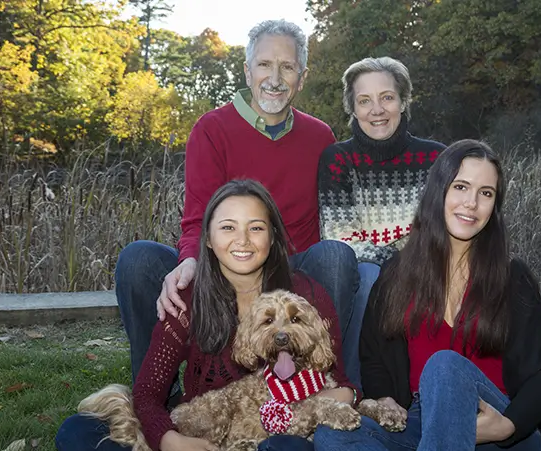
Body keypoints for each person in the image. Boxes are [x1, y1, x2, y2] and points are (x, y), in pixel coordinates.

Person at [313, 140, 541, 451]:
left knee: (444, 367)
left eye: (485, 193)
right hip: (423, 429)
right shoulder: (397, 274)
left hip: (495, 440)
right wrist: (385, 399)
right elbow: (375, 356)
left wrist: (508, 425)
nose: (471, 203)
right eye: (460, 187)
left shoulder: (511, 278)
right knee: (331, 436)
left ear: (494, 206)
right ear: (438, 191)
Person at [56, 179, 359, 451]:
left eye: (256, 228)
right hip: (202, 436)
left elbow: (343, 385)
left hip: (272, 445)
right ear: (209, 240)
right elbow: (146, 395)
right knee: (76, 434)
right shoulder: (187, 297)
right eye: (228, 227)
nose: (242, 240)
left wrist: (299, 413)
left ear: (273, 236)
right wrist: (175, 446)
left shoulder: (306, 295)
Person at [115, 20, 360, 404]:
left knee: (337, 256)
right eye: (264, 65)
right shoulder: (212, 129)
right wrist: (190, 261)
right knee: (138, 259)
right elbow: (198, 215)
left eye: (288, 67)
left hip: (289, 268)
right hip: (227, 261)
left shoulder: (320, 137)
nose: (275, 79)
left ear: (303, 76)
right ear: (247, 70)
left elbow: (336, 216)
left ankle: (326, 387)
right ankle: (155, 397)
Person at [317, 57, 446, 387]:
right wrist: (396, 259)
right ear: (353, 108)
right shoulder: (338, 159)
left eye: (387, 97)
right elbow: (341, 239)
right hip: (368, 275)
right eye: (364, 101)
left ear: (403, 101)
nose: (377, 109)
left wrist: (407, 261)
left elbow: (441, 232)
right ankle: (353, 390)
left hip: (424, 268)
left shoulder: (436, 159)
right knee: (369, 273)